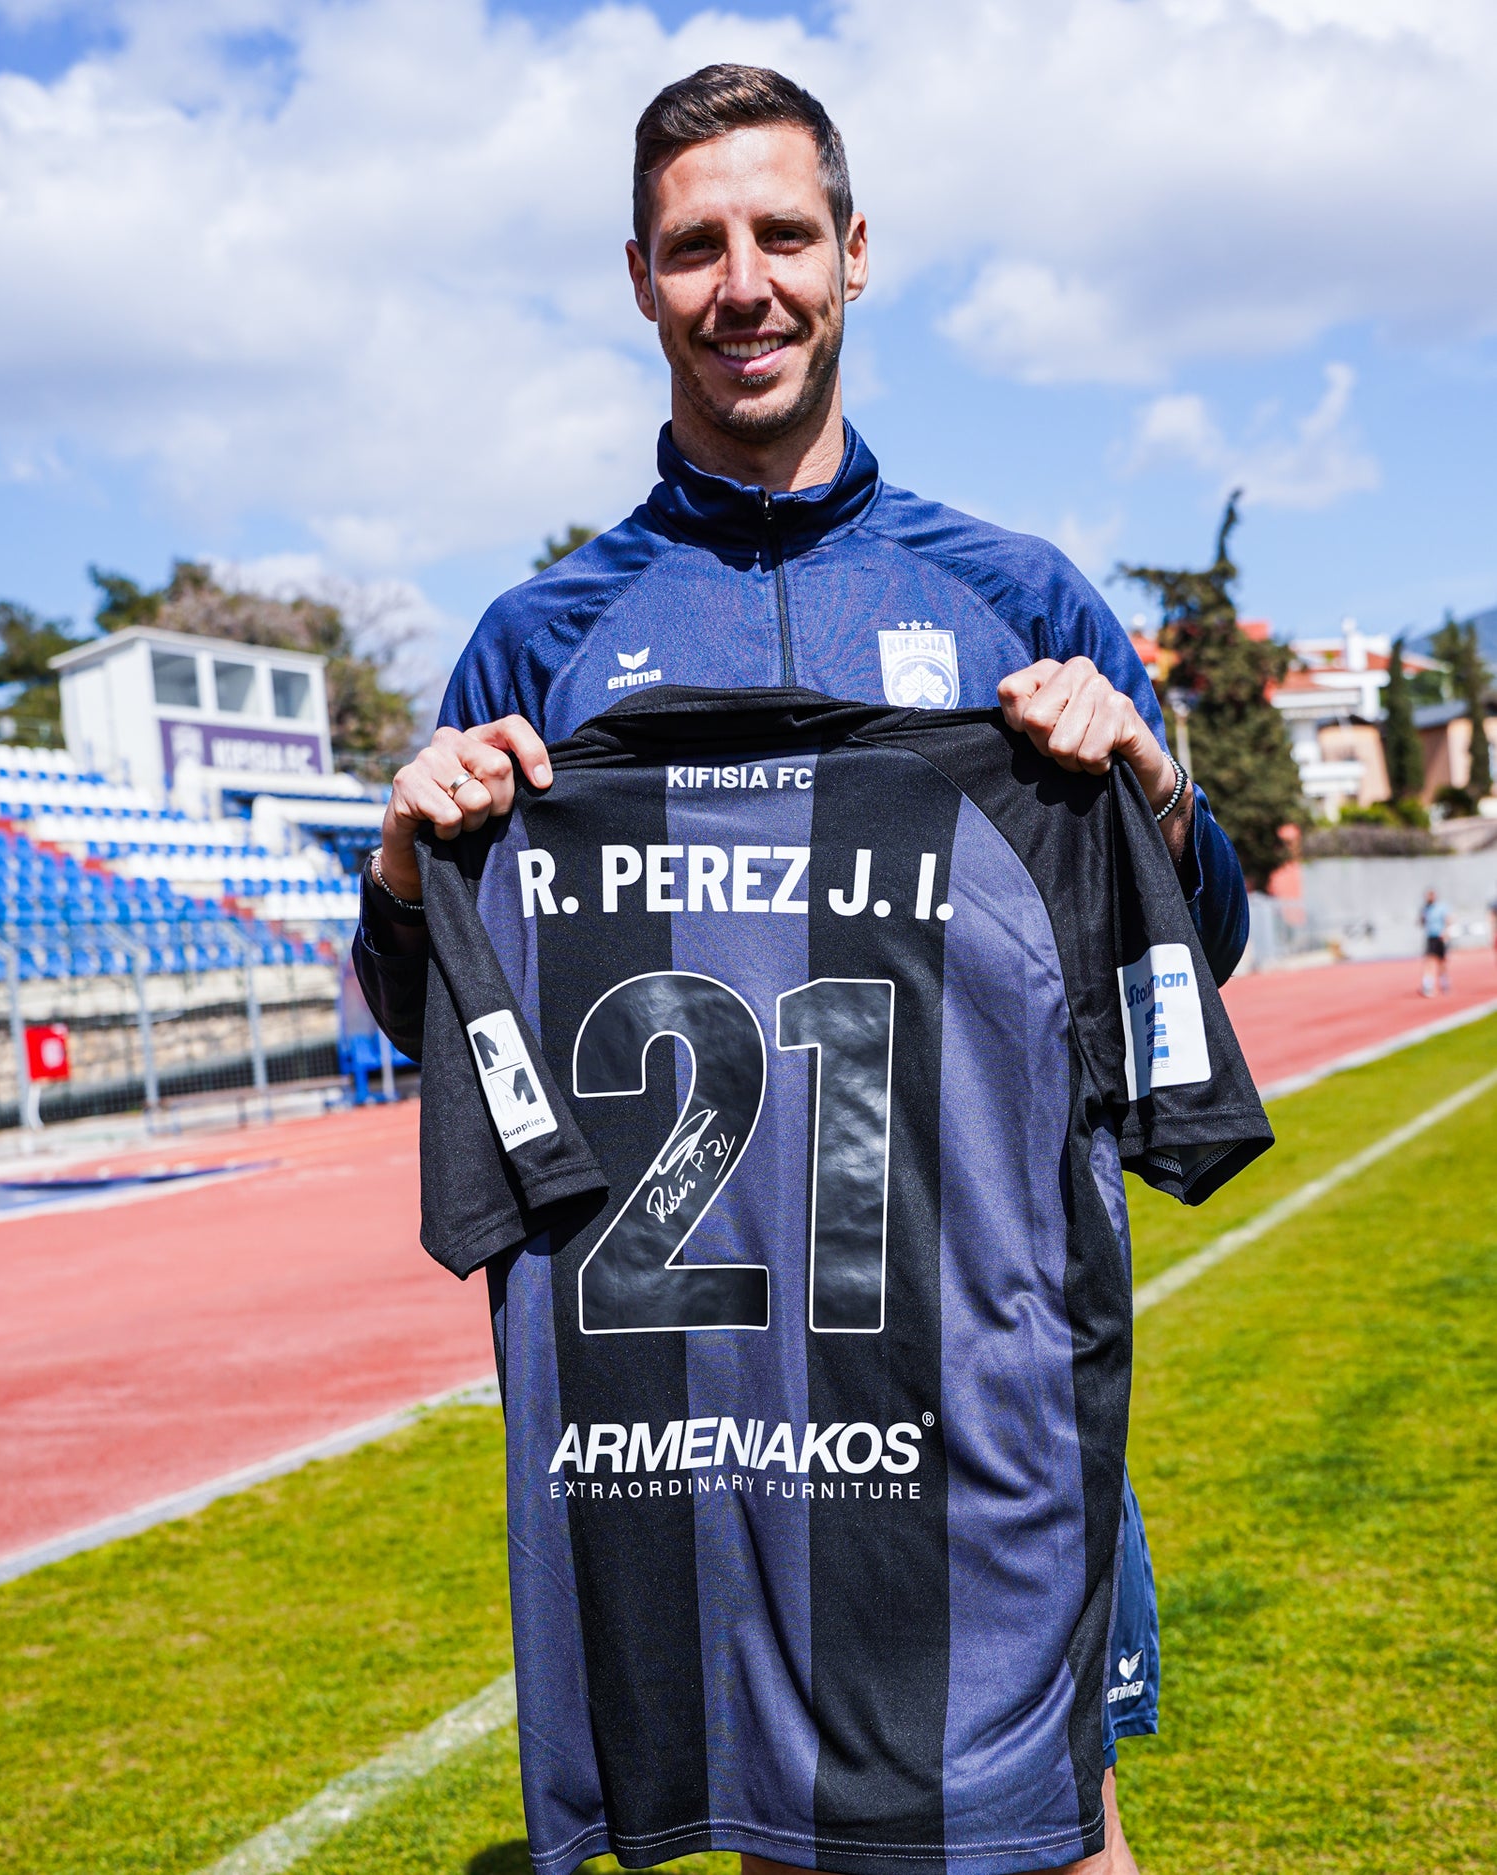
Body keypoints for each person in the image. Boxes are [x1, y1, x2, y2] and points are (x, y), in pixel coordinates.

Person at [355, 65, 1255, 1875]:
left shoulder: (1020, 599)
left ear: (854, 252)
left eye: (781, 234)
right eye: (697, 247)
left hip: (980, 1363)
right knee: (794, 1840)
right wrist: (402, 874)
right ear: (639, 278)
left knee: (1063, 1832)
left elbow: (1198, 947)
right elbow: (438, 1014)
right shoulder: (541, 641)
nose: (743, 284)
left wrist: (1155, 789)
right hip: (715, 1427)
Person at [1420, 887, 1451, 996]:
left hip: (1440, 937)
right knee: (1429, 961)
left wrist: (1446, 932)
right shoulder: (1425, 909)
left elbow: (1448, 920)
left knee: (1441, 962)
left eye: (1431, 895)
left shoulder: (1441, 907)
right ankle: (1427, 985)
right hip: (1430, 938)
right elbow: (1422, 923)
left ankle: (1444, 983)